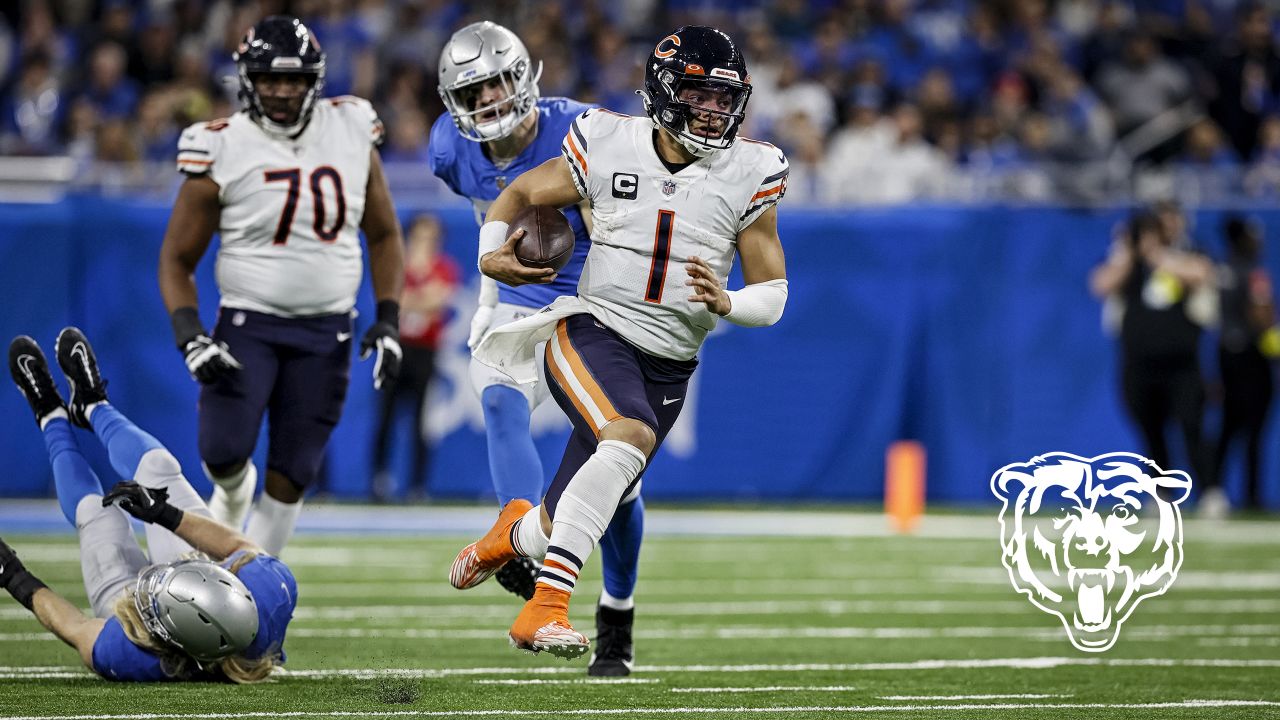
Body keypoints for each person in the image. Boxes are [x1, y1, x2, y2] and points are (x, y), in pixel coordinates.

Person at [451, 25, 789, 659]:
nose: (714, 112)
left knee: (570, 511)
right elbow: (521, 192)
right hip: (593, 329)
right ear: (663, 91)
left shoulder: (753, 170)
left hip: (670, 366)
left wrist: (730, 301)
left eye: (725, 99)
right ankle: (544, 609)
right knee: (627, 439)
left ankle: (509, 538)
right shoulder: (609, 142)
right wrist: (490, 255)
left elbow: (772, 294)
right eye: (699, 95)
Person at [429, 21, 646, 675]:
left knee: (619, 484)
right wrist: (493, 290)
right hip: (521, 298)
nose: (491, 99)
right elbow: (484, 210)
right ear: (453, 102)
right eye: (475, 90)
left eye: (499, 81)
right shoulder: (450, 150)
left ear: (524, 78)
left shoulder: (587, 129)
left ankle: (618, 612)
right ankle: (518, 533)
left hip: (596, 299)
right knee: (496, 396)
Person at [156, 16, 405, 555]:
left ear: (314, 80)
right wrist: (190, 335)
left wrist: (388, 318)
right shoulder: (221, 144)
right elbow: (177, 258)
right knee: (223, 453)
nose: (283, 91)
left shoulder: (351, 126)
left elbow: (384, 233)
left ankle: (252, 594)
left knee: (293, 473)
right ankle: (231, 494)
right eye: (270, 79)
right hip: (249, 323)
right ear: (248, 80)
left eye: (293, 80)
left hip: (327, 332)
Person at [3, 328, 296, 682]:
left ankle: (50, 417)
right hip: (198, 586)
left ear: (170, 637)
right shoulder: (268, 591)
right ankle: (93, 405)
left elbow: (77, 627)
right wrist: (165, 514)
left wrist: (13, 576)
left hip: (139, 619)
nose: (157, 578)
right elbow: (239, 546)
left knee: (95, 515)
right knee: (158, 471)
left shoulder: (135, 652)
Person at [1089, 210, 1216, 501]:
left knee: (1191, 425)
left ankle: (1210, 491)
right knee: (1150, 429)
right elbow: (1099, 284)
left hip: (1181, 363)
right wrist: (1130, 253)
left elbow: (1201, 272)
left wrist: (1157, 254)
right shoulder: (1128, 262)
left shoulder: (1185, 253)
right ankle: (1161, 491)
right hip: (1139, 363)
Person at [370, 214, 460, 502]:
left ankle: (417, 485)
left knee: (421, 420)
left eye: (431, 237)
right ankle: (379, 480)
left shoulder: (443, 267)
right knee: (386, 417)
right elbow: (391, 300)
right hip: (396, 348)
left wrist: (412, 298)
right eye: (421, 236)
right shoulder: (398, 265)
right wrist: (420, 298)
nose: (426, 243)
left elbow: (440, 298)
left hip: (425, 351)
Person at [1214, 216, 1277, 512]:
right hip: (1252, 357)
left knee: (1228, 427)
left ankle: (1212, 492)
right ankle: (1251, 497)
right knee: (1253, 429)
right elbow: (1261, 314)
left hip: (1226, 354)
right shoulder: (1252, 271)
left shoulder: (1222, 269)